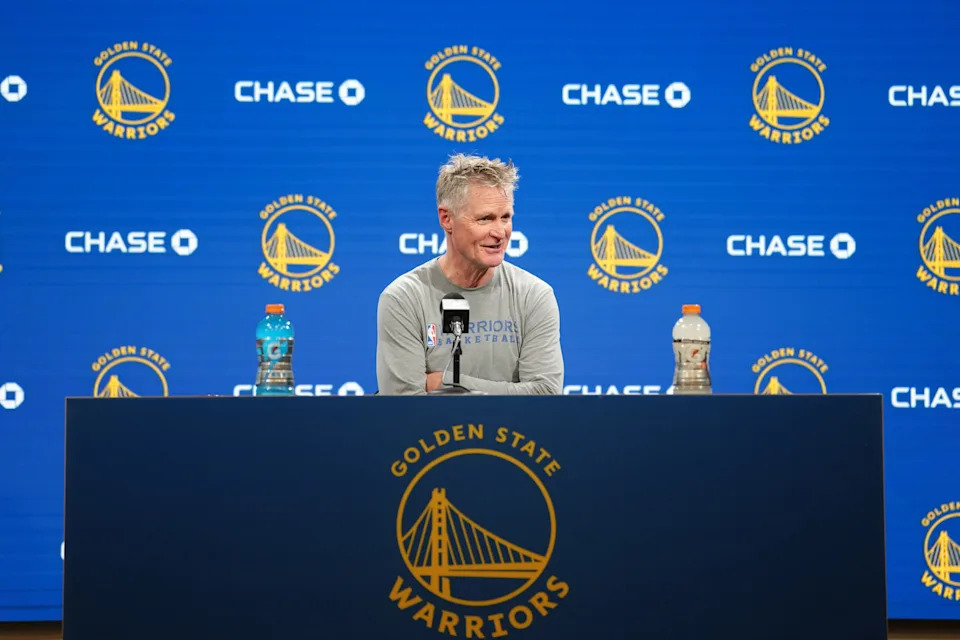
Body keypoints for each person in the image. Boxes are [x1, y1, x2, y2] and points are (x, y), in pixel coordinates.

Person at [376, 153, 564, 395]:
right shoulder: (404, 299)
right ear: (446, 219)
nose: (500, 232)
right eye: (485, 218)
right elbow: (403, 402)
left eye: (505, 218)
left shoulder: (534, 295)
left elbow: (544, 393)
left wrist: (447, 382)